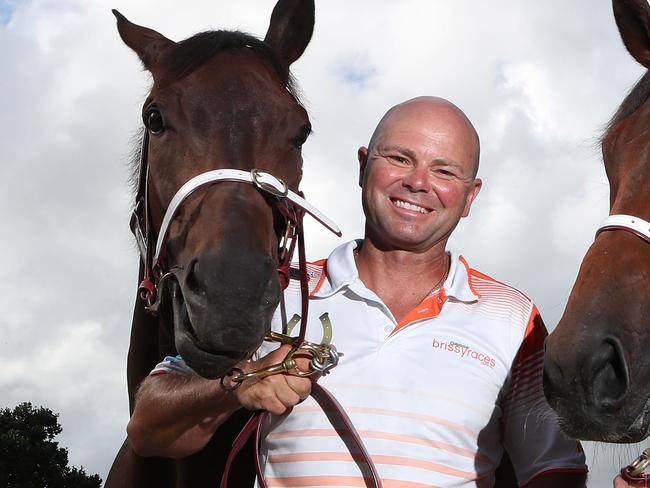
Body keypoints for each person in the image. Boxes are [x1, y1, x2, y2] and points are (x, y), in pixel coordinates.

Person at [127, 96, 588, 487]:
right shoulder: (279, 289)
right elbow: (148, 427)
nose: (418, 183)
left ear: (470, 197)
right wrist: (237, 384)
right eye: (400, 158)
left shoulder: (514, 318)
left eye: (444, 171)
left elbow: (553, 468)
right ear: (364, 165)